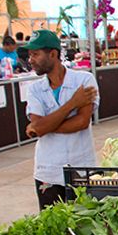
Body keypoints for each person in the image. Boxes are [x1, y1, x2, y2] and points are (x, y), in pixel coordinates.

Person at [23, 30, 100, 210]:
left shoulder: (84, 80)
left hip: (81, 168)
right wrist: (73, 103)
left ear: (53, 54)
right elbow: (39, 127)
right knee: (53, 228)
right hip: (47, 171)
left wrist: (43, 126)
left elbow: (81, 122)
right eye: (30, 55)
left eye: (35, 54)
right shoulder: (34, 89)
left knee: (85, 225)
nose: (31, 60)